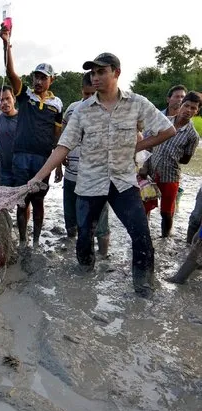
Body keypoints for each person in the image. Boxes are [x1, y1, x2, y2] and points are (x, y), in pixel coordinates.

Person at [28, 52, 176, 297]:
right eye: (93, 73)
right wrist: (37, 177)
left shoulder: (137, 103)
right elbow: (63, 146)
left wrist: (137, 146)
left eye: (101, 72)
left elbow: (167, 129)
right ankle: (84, 277)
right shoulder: (82, 111)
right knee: (84, 235)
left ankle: (143, 286)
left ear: (116, 72)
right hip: (90, 182)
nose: (95, 77)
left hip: (123, 181)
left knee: (140, 233)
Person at [0, 24, 64, 247]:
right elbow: (10, 73)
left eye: (43, 78)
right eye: (36, 77)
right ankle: (24, 241)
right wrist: (6, 44)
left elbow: (58, 136)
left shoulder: (57, 104)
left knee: (38, 201)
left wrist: (58, 164)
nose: (38, 81)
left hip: (43, 160)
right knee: (21, 201)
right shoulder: (25, 95)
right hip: (21, 157)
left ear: (51, 80)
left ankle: (36, 242)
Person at [60, 73, 111, 255]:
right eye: (86, 94)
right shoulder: (73, 109)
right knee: (71, 218)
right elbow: (63, 138)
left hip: (97, 178)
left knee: (101, 222)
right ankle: (72, 252)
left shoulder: (107, 110)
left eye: (93, 94)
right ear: (81, 90)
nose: (90, 98)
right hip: (72, 174)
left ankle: (104, 256)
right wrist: (58, 165)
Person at [140, 91, 200, 237]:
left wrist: (170, 158)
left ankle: (165, 239)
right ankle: (144, 237)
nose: (188, 110)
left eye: (193, 108)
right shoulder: (163, 122)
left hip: (171, 176)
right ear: (181, 105)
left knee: (167, 212)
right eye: (186, 106)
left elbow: (185, 159)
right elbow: (148, 145)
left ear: (197, 111)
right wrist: (144, 167)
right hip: (150, 173)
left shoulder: (193, 136)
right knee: (144, 207)